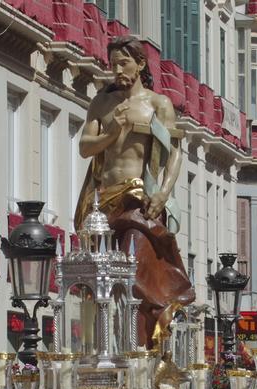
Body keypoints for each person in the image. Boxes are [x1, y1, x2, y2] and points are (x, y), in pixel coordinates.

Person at [75, 34, 193, 342]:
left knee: (135, 268)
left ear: (140, 64)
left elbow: (175, 153)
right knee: (97, 282)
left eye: (124, 63)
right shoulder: (102, 103)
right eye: (113, 64)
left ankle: (140, 348)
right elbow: (86, 148)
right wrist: (113, 130)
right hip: (101, 203)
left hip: (138, 200)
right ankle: (103, 347)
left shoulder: (157, 104)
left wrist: (163, 192)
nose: (117, 70)